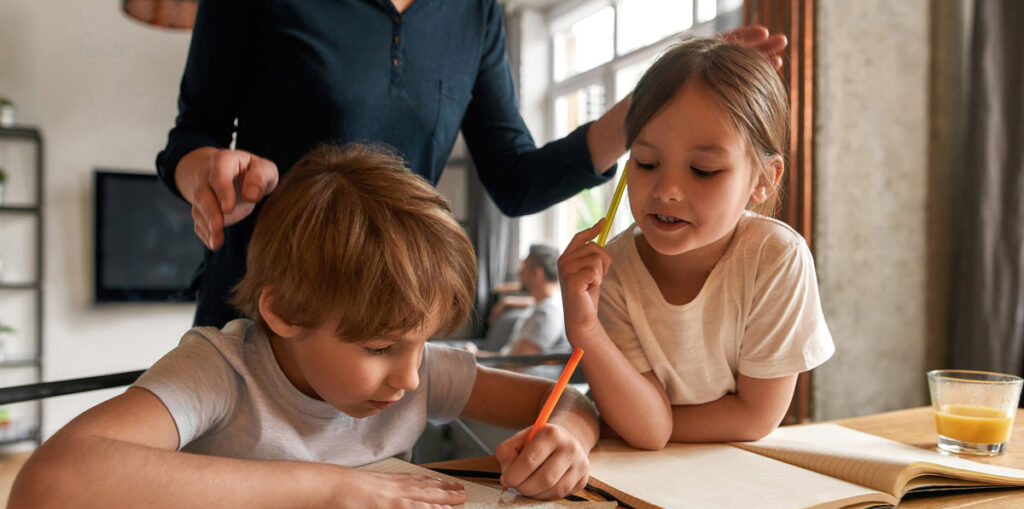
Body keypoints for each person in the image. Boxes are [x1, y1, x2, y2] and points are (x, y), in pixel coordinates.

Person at [6, 143, 599, 509]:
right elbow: (45, 494)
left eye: (421, 345)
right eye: (379, 348)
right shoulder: (220, 370)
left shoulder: (415, 372)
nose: (410, 378)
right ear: (285, 311)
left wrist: (567, 438)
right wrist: (320, 486)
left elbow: (572, 403)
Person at [155, 0, 787, 328]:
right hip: (263, 299)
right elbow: (190, 138)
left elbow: (515, 180)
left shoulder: (473, 13)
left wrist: (661, 95)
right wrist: (208, 170)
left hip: (386, 314)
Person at [558, 38, 834, 451]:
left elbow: (757, 417)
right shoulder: (607, 272)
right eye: (646, 163)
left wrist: (646, 422)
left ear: (762, 180)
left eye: (703, 170)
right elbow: (649, 432)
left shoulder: (777, 258)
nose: (667, 190)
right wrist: (585, 329)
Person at [471, 243, 569, 358]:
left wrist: (475, 354)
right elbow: (534, 303)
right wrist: (507, 302)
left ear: (537, 273)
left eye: (524, 267)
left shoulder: (547, 315)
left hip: (518, 374)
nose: (519, 273)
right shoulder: (549, 302)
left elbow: (516, 364)